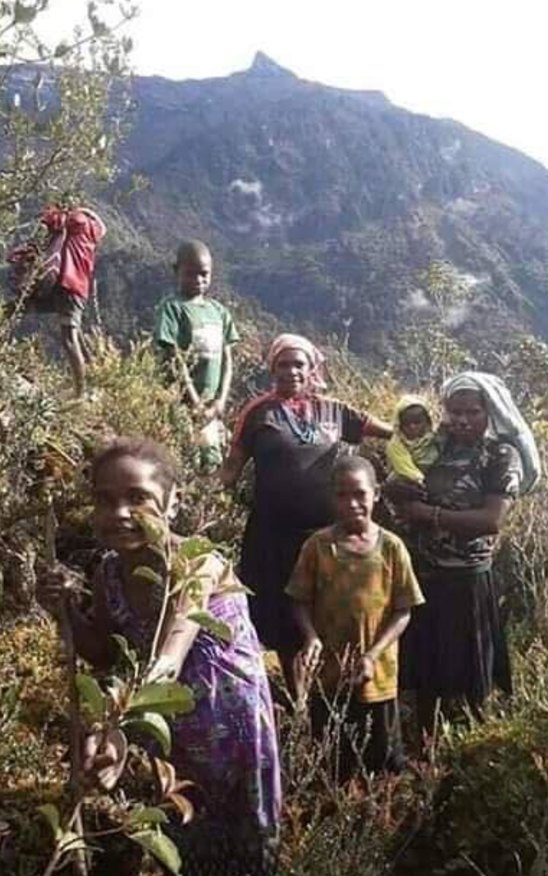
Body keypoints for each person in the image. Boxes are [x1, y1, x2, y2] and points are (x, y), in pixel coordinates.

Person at [41, 437, 281, 876]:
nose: (120, 514)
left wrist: (116, 730)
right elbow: (104, 652)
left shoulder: (197, 564)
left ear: (172, 503)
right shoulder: (109, 573)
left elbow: (169, 656)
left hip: (229, 734)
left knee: (243, 847)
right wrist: (66, 612)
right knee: (180, 836)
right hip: (167, 734)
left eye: (138, 498)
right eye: (104, 500)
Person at [222, 333, 394, 695]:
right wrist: (202, 496)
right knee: (284, 614)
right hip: (273, 534)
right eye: (283, 364)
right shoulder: (258, 412)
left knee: (325, 608)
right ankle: (298, 695)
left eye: (298, 364)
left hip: (325, 534)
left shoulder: (335, 410)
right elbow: (232, 466)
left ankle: (336, 689)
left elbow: (394, 435)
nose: (291, 372)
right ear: (272, 368)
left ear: (311, 367)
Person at [391, 371, 541, 735]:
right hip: (424, 574)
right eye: (453, 412)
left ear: (489, 412)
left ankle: (473, 739)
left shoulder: (500, 455)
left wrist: (428, 515)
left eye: (471, 412)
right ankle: (424, 740)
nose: (461, 420)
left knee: (469, 671)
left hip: (466, 577)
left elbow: (492, 520)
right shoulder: (435, 447)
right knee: (427, 665)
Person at [286, 455, 424, 781]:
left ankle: (381, 823)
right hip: (330, 678)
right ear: (331, 498)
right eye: (341, 495)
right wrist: (311, 637)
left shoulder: (392, 548)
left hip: (378, 679)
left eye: (359, 494)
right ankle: (338, 820)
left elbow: (404, 609)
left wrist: (373, 655)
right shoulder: (317, 547)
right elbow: (299, 600)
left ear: (375, 494)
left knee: (383, 760)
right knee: (334, 760)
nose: (351, 504)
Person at [154, 239, 239, 474]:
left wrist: (220, 401)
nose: (198, 281)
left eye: (204, 274)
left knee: (212, 462)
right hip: (180, 404)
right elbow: (175, 358)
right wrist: (195, 401)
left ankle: (204, 508)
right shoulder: (172, 309)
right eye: (191, 274)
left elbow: (227, 360)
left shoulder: (219, 312)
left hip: (212, 406)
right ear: (176, 271)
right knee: (183, 460)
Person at [6, 204, 106, 398]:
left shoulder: (75, 221)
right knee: (20, 310)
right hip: (68, 288)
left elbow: (51, 219)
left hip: (68, 286)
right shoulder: (91, 233)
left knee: (69, 337)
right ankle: (93, 375)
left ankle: (80, 392)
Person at [385, 395, 439, 484]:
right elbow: (403, 466)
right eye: (407, 423)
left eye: (417, 422)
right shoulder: (396, 444)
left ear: (427, 422)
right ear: (399, 424)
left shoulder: (434, 437)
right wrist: (420, 480)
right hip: (406, 478)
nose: (412, 427)